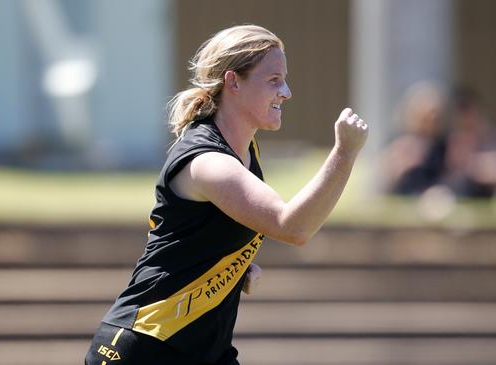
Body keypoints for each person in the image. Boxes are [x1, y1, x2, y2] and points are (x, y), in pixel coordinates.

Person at [84, 24, 368, 365]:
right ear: (233, 82)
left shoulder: (245, 151)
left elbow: (199, 233)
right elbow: (293, 227)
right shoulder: (209, 163)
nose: (287, 92)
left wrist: (233, 264)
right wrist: (344, 153)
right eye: (274, 80)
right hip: (145, 346)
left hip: (204, 352)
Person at [381, 81, 449, 196]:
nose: (433, 120)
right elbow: (383, 183)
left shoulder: (443, 145)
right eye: (428, 115)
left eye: (436, 115)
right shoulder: (400, 143)